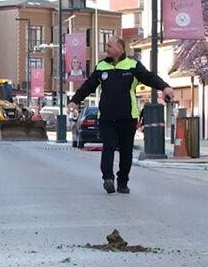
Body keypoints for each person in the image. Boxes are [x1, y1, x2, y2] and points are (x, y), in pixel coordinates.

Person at [70, 38, 175, 194]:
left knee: (126, 151)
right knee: (109, 147)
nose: (106, 48)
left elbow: (149, 77)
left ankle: (123, 182)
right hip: (106, 116)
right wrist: (74, 101)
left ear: (120, 47)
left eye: (109, 46)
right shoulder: (101, 66)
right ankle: (108, 178)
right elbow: (88, 86)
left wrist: (164, 87)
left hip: (128, 116)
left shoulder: (133, 65)